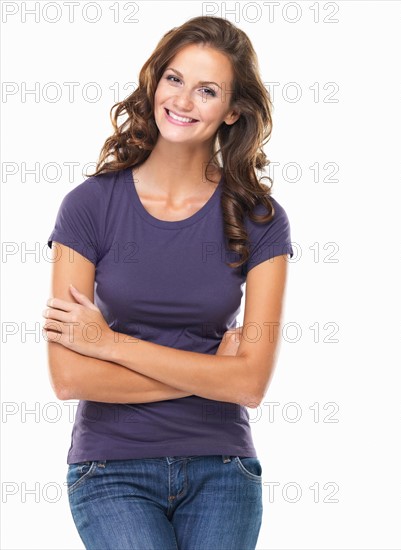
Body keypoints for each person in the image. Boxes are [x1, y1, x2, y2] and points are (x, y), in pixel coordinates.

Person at [42, 15, 293, 550]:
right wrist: (213, 375)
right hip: (110, 469)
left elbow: (250, 385)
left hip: (222, 468)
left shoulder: (260, 218)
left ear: (232, 112)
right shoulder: (89, 206)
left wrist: (108, 345)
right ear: (155, 82)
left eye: (207, 90)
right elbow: (68, 377)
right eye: (174, 79)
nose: (183, 100)